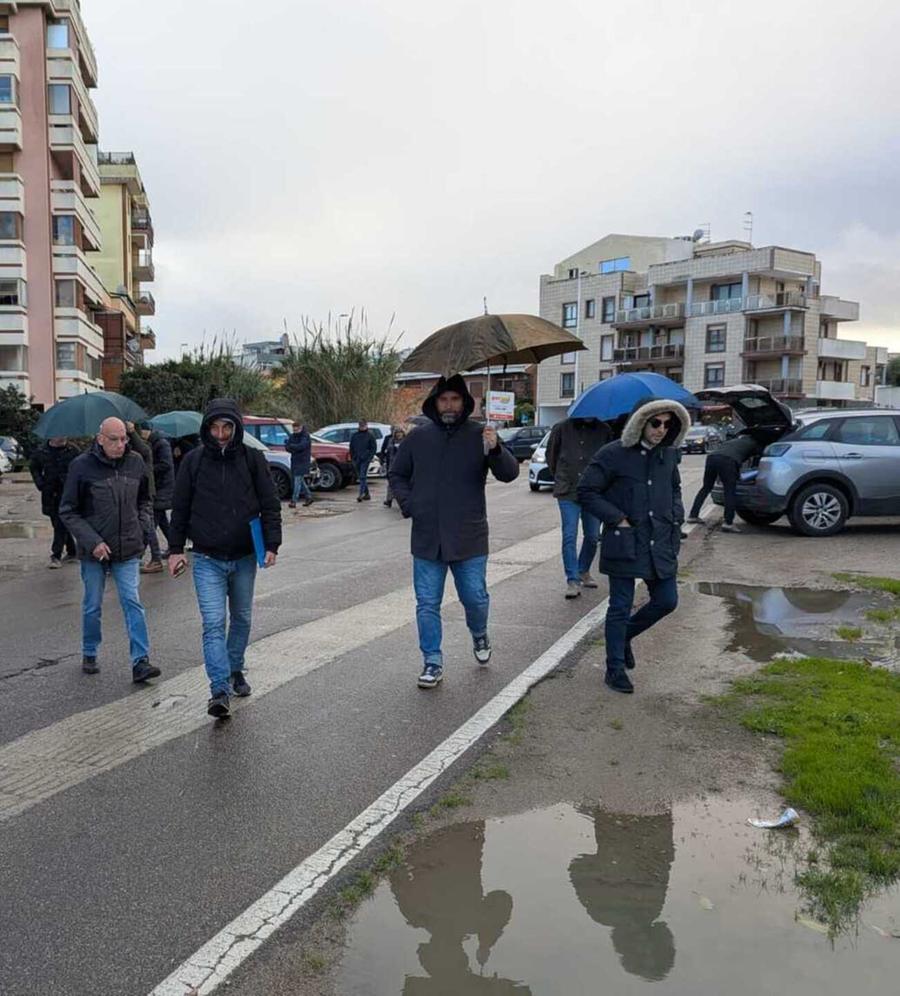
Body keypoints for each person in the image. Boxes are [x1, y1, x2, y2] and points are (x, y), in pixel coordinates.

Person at [389, 375, 519, 689]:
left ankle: (479, 633)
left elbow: (509, 474)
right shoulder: (418, 437)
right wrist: (410, 505)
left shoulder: (480, 435)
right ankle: (432, 661)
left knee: (475, 598)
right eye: (443, 399)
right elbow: (397, 474)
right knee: (427, 603)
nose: (449, 405)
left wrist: (496, 448)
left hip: (468, 536)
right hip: (427, 537)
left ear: (465, 403)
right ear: (435, 403)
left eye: (455, 399)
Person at [167, 398, 282, 719]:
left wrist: (272, 544)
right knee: (213, 623)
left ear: (236, 428)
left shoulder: (253, 459)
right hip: (206, 557)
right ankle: (219, 690)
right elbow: (180, 507)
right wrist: (175, 549)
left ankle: (234, 669)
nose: (220, 434)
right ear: (206, 428)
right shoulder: (193, 462)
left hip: (244, 555)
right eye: (215, 428)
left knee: (241, 618)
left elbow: (270, 503)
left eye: (226, 428)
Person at [578, 398, 689, 694]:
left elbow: (674, 488)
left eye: (667, 424)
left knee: (667, 600)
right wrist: (617, 518)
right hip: (625, 540)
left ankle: (623, 635)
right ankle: (614, 668)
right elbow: (587, 491)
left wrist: (676, 515)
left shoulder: (668, 454)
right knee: (620, 605)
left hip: (660, 539)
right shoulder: (613, 453)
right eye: (656, 422)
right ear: (641, 422)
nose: (661, 429)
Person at [59, 417, 158, 682]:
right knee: (93, 604)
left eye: (124, 438)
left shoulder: (135, 462)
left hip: (128, 548)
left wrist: (142, 527)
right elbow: (68, 511)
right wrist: (93, 542)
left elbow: (145, 500)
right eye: (114, 439)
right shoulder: (81, 466)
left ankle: (141, 661)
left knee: (132, 602)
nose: (120, 444)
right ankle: (90, 650)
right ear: (100, 438)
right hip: (94, 552)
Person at [545, 416, 611, 599]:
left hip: (593, 491)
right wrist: (561, 476)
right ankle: (572, 579)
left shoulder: (604, 429)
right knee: (569, 535)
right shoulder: (561, 428)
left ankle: (583, 569)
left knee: (592, 536)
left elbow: (609, 459)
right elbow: (551, 456)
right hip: (568, 490)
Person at [686, 433, 762, 532]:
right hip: (728, 460)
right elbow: (755, 461)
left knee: (706, 487)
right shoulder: (755, 445)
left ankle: (693, 515)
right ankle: (728, 523)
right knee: (729, 491)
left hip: (712, 457)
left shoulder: (734, 441)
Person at [29, 436, 79, 568]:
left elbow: (81, 468)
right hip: (50, 493)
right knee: (57, 523)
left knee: (61, 523)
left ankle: (56, 555)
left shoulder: (73, 451)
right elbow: (34, 468)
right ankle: (72, 550)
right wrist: (40, 483)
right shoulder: (42, 451)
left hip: (67, 493)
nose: (62, 437)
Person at [139, 422, 175, 573]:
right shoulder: (155, 443)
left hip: (163, 488)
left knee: (150, 524)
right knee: (162, 522)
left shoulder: (161, 443)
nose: (141, 434)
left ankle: (145, 556)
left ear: (147, 431)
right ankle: (174, 546)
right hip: (161, 487)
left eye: (142, 431)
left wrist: (148, 469)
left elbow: (166, 464)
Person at [285, 421, 314, 508]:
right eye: (294, 430)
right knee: (300, 480)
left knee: (297, 481)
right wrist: (293, 447)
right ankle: (309, 496)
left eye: (296, 430)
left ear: (301, 428)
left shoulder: (305, 436)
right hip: (295, 460)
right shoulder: (292, 436)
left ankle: (294, 501)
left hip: (303, 461)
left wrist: (292, 446)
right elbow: (287, 447)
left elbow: (302, 446)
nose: (295, 431)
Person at [349, 419, 377, 502]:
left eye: (363, 425)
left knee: (362, 476)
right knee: (361, 477)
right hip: (357, 459)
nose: (362, 427)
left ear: (366, 425)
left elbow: (373, 448)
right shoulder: (355, 435)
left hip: (365, 459)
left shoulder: (370, 436)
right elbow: (351, 447)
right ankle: (367, 494)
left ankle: (361, 494)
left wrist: (369, 457)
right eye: (361, 425)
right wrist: (353, 457)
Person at [380, 425, 406, 508]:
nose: (399, 434)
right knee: (391, 482)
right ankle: (389, 499)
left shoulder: (406, 441)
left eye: (400, 432)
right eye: (397, 433)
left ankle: (402, 499)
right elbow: (387, 450)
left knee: (402, 484)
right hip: (392, 464)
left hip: (403, 465)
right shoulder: (391, 441)